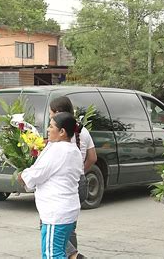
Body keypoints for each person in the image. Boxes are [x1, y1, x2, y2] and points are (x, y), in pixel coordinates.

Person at [18, 112, 83, 259]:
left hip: (56, 213)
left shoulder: (57, 150)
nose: (47, 129)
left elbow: (37, 174)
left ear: (62, 132)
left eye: (51, 126)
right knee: (61, 252)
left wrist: (23, 175)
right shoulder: (73, 150)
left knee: (52, 254)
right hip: (68, 210)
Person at [49, 96, 97, 259]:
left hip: (62, 185)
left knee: (48, 223)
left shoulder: (59, 135)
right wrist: (79, 171)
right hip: (80, 182)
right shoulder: (83, 131)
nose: (50, 118)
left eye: (51, 114)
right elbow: (92, 157)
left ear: (58, 113)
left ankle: (74, 255)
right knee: (69, 227)